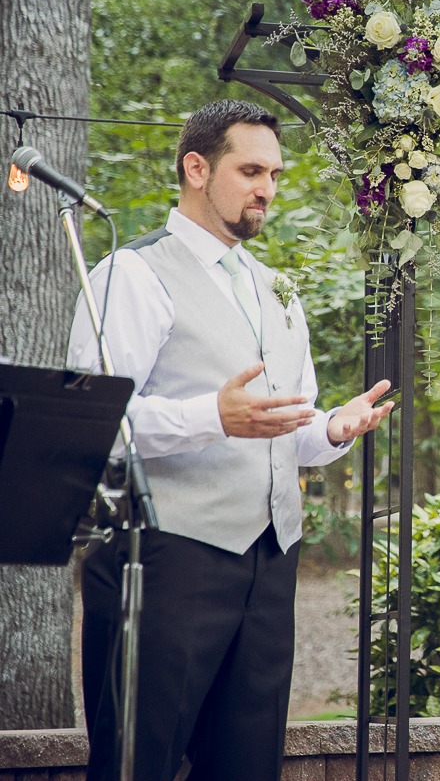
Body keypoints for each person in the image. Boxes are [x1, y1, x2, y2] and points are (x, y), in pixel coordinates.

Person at [68, 99, 394, 781]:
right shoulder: (133, 275)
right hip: (164, 562)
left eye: (274, 174)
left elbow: (290, 429)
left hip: (270, 566)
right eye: (250, 170)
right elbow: (95, 426)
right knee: (139, 761)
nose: (266, 189)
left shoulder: (276, 289)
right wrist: (211, 416)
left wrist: (335, 426)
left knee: (246, 766)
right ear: (195, 167)